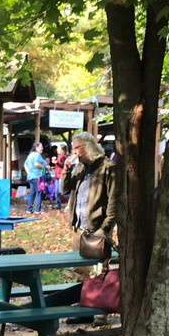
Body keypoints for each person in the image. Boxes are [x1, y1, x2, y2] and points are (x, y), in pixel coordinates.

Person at [60, 133, 117, 324]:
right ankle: (84, 310)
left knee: (102, 270)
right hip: (79, 228)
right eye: (73, 149)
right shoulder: (80, 167)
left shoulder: (108, 168)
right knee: (80, 271)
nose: (74, 152)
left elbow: (114, 203)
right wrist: (66, 171)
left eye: (77, 148)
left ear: (88, 146)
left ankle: (102, 311)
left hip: (98, 229)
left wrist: (105, 229)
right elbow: (65, 190)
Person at [24, 142, 48, 214]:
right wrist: (44, 167)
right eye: (41, 147)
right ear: (36, 148)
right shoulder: (37, 155)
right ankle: (38, 210)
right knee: (39, 193)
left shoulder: (30, 155)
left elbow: (25, 164)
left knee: (32, 193)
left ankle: (29, 209)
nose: (42, 148)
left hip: (31, 177)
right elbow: (36, 164)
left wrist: (29, 173)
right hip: (37, 176)